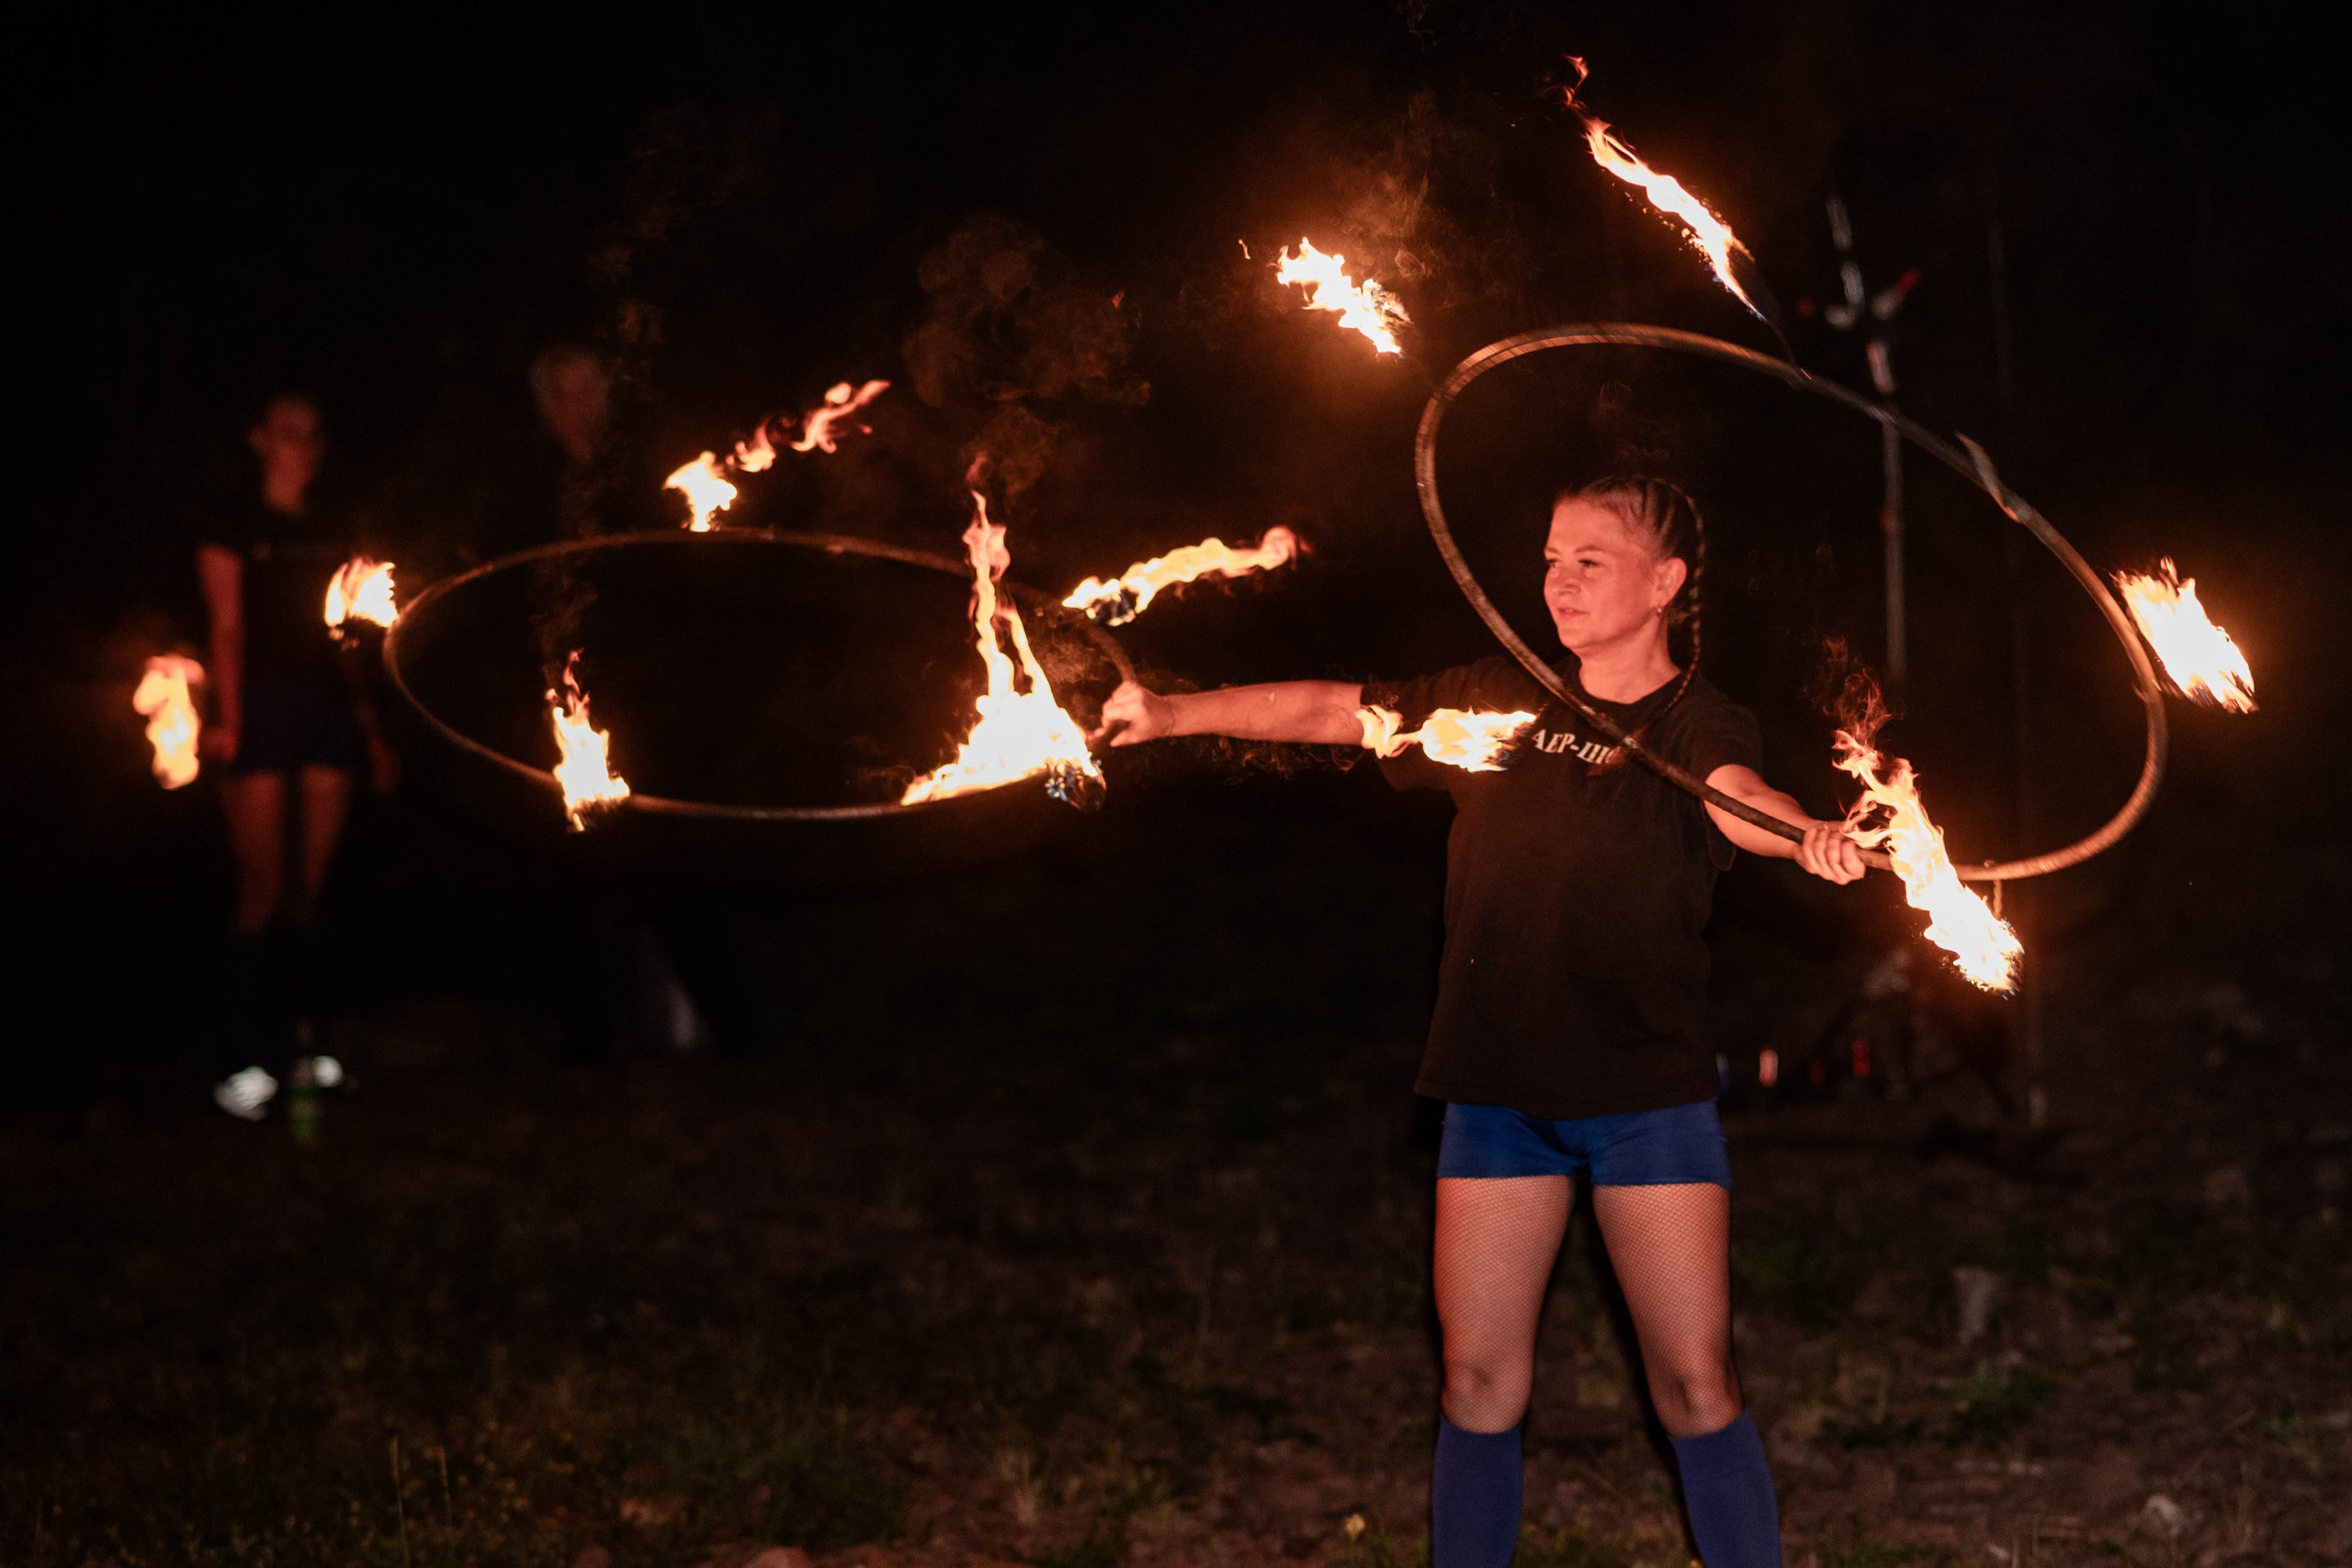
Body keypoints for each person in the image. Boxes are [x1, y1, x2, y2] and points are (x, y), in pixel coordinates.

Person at [1098, 478, 1866, 1568]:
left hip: (1643, 1100)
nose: (1557, 580)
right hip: (1497, 1093)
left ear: (1664, 584)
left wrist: (1808, 838)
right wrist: (1173, 713)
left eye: (1590, 560)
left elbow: (1743, 802)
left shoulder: (1694, 720)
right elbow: (1337, 709)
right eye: (1550, 556)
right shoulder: (1496, 699)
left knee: (1695, 1386)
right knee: (1476, 1381)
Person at [197, 394, 397, 1116]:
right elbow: (225, 628)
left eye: (315, 434)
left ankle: (304, 1049)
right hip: (260, 712)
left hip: (327, 713)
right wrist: (228, 719)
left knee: (307, 892)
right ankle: (236, 1064)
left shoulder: (334, 528)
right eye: (289, 435)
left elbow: (346, 640)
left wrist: (370, 727)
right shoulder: (232, 524)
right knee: (259, 884)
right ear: (260, 440)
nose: (305, 447)